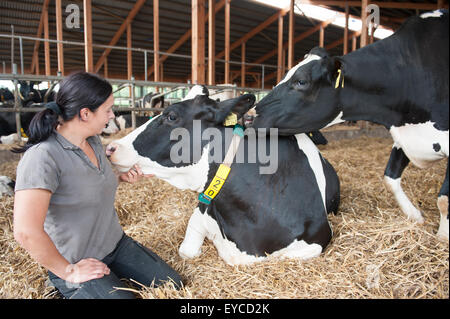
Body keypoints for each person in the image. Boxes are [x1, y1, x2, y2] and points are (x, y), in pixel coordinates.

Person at [13, 72, 182, 299]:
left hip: (116, 244)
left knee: (173, 285)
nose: (112, 116)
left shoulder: (92, 140)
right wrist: (68, 271)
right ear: (85, 114)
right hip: (77, 259)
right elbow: (25, 232)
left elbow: (85, 184)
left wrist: (121, 178)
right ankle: (66, 285)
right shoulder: (42, 157)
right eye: (107, 110)